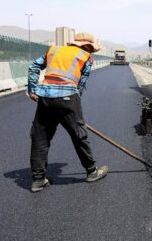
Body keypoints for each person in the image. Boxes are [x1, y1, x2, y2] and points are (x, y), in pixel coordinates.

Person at [27, 32, 108, 193]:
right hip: (67, 98)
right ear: (87, 46)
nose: (91, 51)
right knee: (79, 134)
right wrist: (72, 110)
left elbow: (33, 67)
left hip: (45, 98)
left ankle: (38, 179)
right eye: (90, 48)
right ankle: (92, 171)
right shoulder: (85, 57)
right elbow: (80, 86)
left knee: (40, 137)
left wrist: (33, 90)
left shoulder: (53, 50)